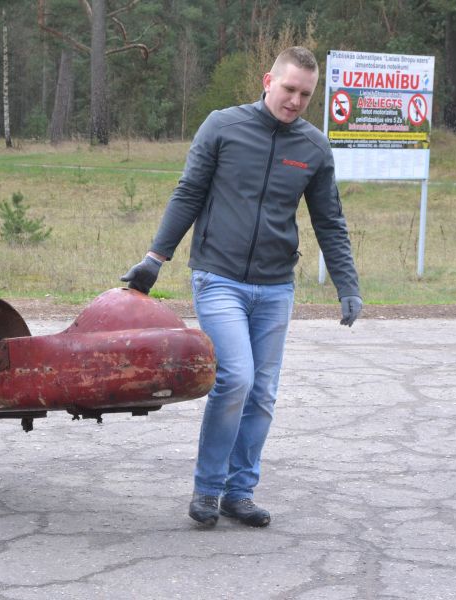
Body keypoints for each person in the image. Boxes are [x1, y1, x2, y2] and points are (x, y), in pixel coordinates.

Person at [121, 46, 362, 528]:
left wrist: (347, 283)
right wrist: (155, 258)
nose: (295, 101)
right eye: (289, 89)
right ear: (268, 80)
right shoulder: (223, 126)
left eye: (305, 95)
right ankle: (208, 489)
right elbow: (189, 192)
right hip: (218, 277)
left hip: (275, 286)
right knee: (235, 379)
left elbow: (329, 221)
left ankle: (240, 492)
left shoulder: (313, 148)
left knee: (263, 392)